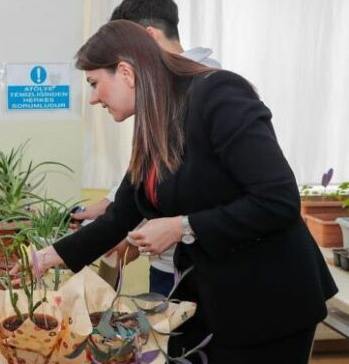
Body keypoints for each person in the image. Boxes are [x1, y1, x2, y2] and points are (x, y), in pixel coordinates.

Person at [28, 20, 337, 362]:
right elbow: (121, 217)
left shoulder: (218, 94)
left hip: (268, 300)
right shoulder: (154, 120)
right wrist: (43, 259)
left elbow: (278, 201)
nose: (92, 98)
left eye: (95, 83)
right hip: (207, 300)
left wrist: (182, 226)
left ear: (126, 73)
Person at [73, 0, 221, 295]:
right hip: (171, 262)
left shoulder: (211, 92)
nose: (94, 98)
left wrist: (175, 227)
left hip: (214, 268)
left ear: (147, 40)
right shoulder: (156, 102)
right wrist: (108, 209)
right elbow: (141, 181)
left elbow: (205, 195)